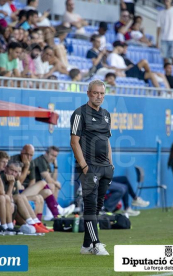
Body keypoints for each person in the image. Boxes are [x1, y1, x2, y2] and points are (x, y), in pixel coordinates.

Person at [70, 79, 114, 256]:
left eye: (102, 93)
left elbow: (107, 140)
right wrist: (84, 166)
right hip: (89, 168)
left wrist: (110, 164)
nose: (99, 96)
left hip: (105, 168)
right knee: (90, 207)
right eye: (95, 93)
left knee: (97, 208)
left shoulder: (106, 114)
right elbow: (74, 142)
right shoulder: (79, 113)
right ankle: (96, 243)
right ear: (88, 93)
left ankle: (86, 245)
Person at [156, 0, 173, 65]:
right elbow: (158, 27)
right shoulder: (160, 13)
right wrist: (157, 41)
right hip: (164, 39)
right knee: (165, 59)